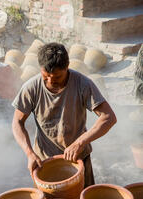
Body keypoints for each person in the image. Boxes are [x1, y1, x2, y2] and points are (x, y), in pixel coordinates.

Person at [11, 42, 117, 187]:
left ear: (67, 67)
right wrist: (29, 153)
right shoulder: (31, 88)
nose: (50, 81)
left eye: (57, 77)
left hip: (78, 160)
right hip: (44, 163)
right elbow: (17, 122)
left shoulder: (83, 84)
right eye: (46, 76)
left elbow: (109, 117)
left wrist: (79, 143)